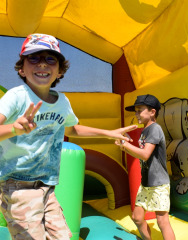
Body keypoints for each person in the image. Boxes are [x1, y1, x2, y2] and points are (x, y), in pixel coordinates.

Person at [0, 33, 137, 240]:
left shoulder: (62, 102)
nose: (43, 64)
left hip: (46, 186)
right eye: (34, 58)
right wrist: (14, 129)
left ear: (60, 71)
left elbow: (72, 129)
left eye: (50, 59)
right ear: (22, 68)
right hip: (19, 186)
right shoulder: (16, 96)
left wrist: (108, 133)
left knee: (63, 236)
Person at [115, 94, 175, 240]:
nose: (136, 114)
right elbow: (142, 157)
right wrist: (124, 147)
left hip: (159, 183)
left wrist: (126, 144)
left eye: (139, 110)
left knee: (162, 221)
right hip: (146, 183)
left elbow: (145, 154)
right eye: (135, 111)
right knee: (137, 217)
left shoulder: (155, 129)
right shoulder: (145, 131)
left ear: (152, 112)